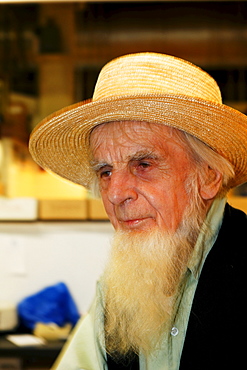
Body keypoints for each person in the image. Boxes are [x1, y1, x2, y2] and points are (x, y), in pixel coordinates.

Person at [29, 52, 247, 370]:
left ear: (209, 177)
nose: (115, 194)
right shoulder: (116, 289)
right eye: (105, 172)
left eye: (143, 164)